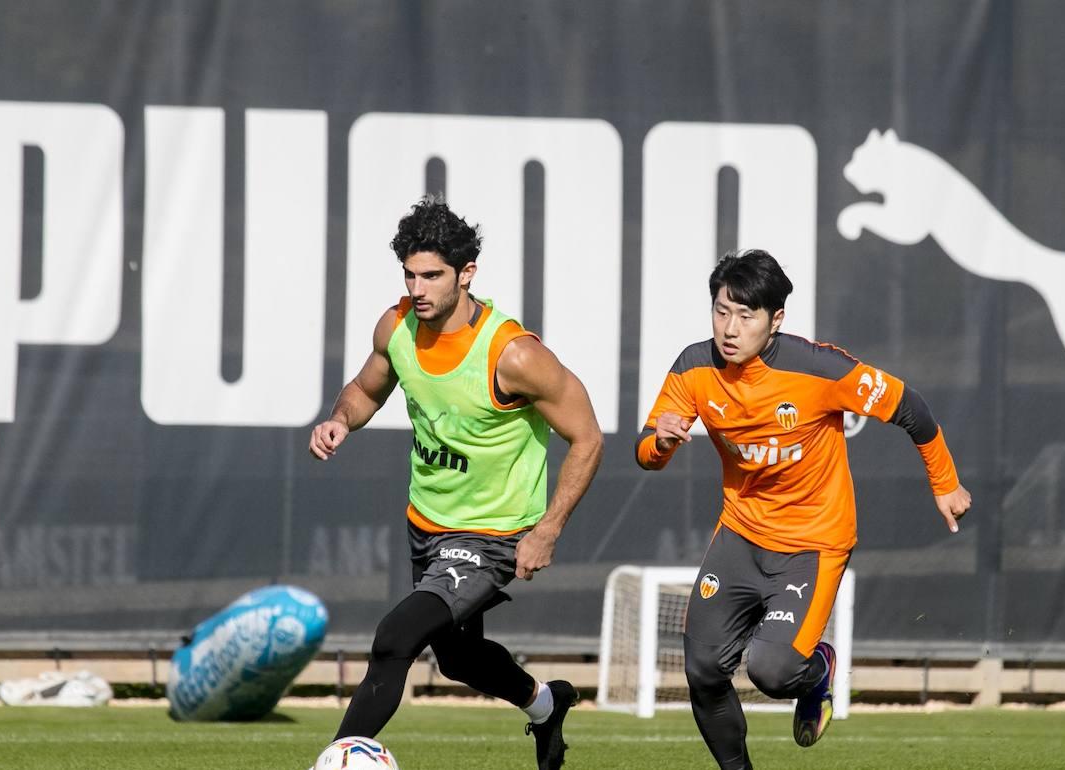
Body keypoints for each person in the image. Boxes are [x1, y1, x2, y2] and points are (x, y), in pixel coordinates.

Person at [636, 249, 971, 770]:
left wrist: (945, 483)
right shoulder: (694, 366)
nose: (730, 327)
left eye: (746, 316)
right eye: (722, 311)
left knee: (771, 672)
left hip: (812, 545)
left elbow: (912, 408)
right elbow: (646, 454)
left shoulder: (819, 369)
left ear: (775, 322)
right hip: (740, 538)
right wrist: (660, 442)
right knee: (703, 669)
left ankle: (818, 672)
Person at [310, 196, 603, 770]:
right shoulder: (396, 327)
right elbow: (368, 389)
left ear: (466, 274)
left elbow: (588, 437)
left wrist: (548, 529)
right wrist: (340, 419)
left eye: (432, 276)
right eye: (410, 275)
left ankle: (337, 761)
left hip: (492, 536)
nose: (418, 289)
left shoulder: (513, 354)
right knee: (459, 659)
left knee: (396, 637)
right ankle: (547, 705)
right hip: (426, 524)